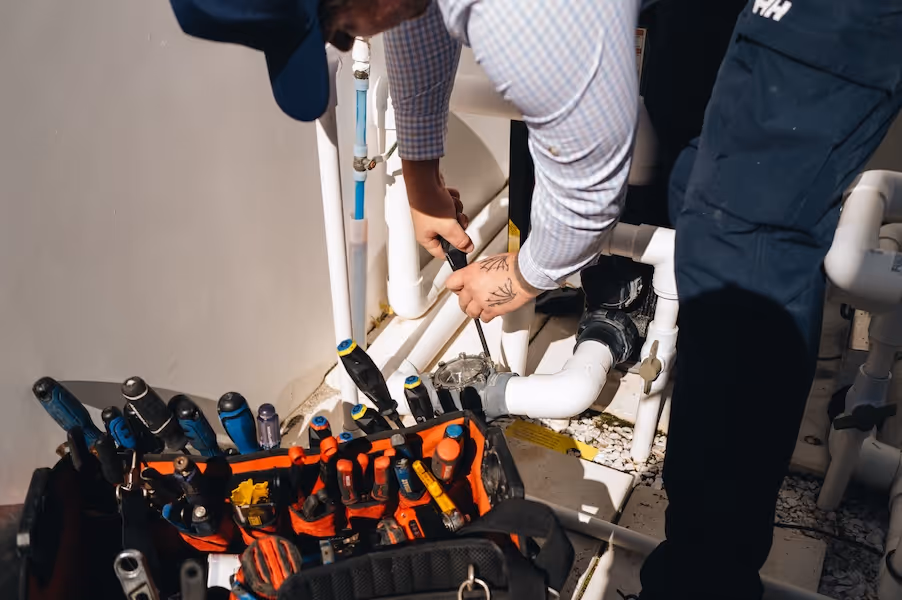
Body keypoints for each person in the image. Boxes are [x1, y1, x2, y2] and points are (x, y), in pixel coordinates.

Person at [167, 0, 902, 598]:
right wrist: (420, 170)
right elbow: (414, 12)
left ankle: (705, 580)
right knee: (688, 145)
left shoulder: (524, 16)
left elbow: (590, 188)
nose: (341, 39)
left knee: (742, 228)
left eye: (332, 23)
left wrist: (518, 277)